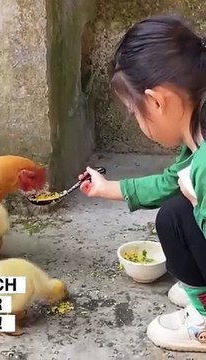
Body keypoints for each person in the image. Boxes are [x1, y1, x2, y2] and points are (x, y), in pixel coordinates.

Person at [79, 14, 206, 352]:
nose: (136, 120)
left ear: (157, 101)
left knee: (184, 210)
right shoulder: (197, 132)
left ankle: (204, 322)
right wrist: (108, 188)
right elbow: (170, 182)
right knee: (174, 213)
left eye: (133, 110)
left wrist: (199, 202)